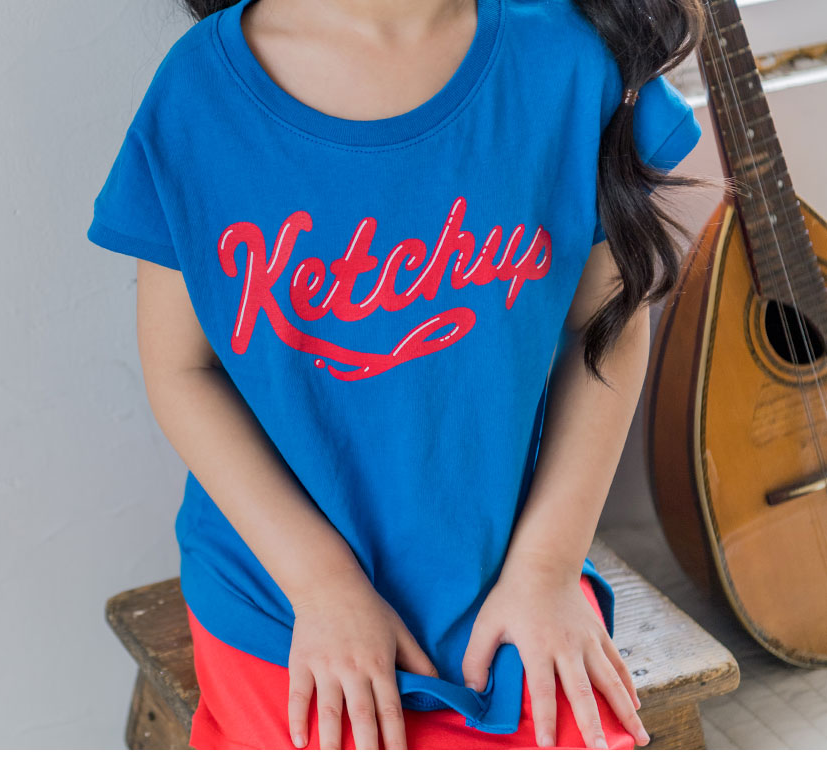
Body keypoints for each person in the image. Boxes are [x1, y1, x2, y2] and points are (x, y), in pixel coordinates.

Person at [87, 0, 710, 750]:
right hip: (282, 596)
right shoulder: (198, 93)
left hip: (510, 575)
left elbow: (605, 329)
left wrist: (546, 567)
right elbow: (183, 370)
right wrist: (322, 586)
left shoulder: (570, 60)